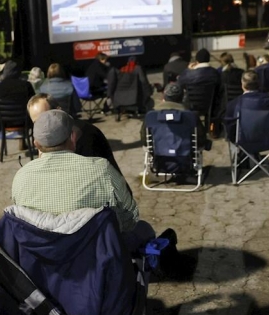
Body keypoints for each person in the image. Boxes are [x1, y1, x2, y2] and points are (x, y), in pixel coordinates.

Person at [12, 110, 176, 256]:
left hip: (44, 259)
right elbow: (130, 216)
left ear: (36, 144)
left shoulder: (21, 176)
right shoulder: (101, 170)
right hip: (94, 257)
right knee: (144, 229)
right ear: (73, 137)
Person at [27, 94, 125, 179]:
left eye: (46, 119)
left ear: (59, 111)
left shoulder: (85, 135)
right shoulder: (45, 140)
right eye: (37, 123)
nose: (43, 127)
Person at [140, 81, 207, 150]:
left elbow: (145, 139)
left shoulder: (151, 115)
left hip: (159, 152)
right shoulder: (191, 115)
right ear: (182, 97)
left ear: (164, 96)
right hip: (185, 152)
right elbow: (201, 139)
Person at [225, 70, 269, 140]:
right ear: (259, 83)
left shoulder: (234, 104)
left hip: (244, 141)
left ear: (242, 84)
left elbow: (230, 128)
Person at [178, 48, 222, 134]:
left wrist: (188, 70)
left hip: (191, 105)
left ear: (197, 60)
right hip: (209, 105)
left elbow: (180, 83)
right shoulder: (214, 73)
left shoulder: (188, 74)